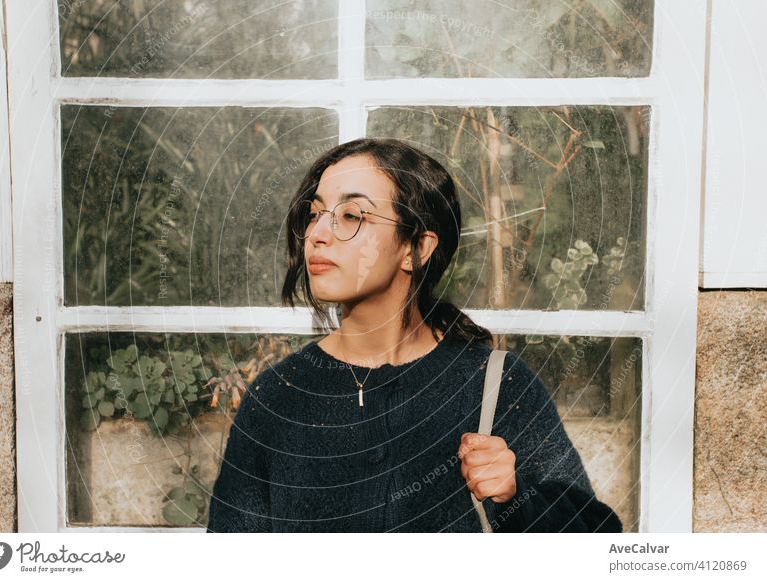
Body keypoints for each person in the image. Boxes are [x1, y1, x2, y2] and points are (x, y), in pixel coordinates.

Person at [206, 138, 623, 533]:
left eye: (352, 215)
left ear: (417, 249)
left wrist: (519, 498)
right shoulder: (277, 398)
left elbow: (598, 546)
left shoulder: (498, 384)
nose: (317, 234)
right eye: (315, 213)